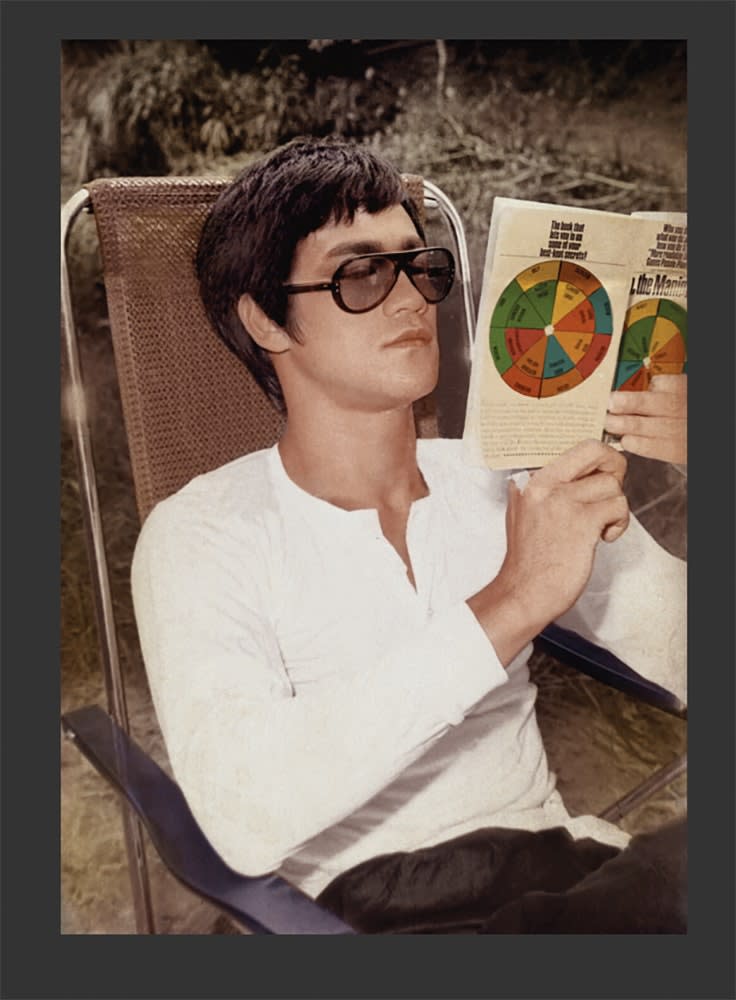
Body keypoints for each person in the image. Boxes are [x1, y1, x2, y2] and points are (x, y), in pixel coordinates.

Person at [131, 137, 687, 933]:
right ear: (264, 319)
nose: (409, 300)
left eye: (417, 265)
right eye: (360, 273)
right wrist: (510, 603)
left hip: (563, 877)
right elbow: (244, 815)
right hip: (372, 916)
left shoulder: (510, 475)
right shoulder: (203, 533)